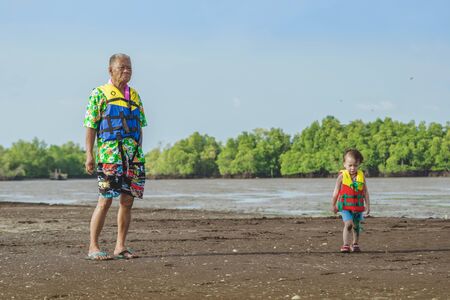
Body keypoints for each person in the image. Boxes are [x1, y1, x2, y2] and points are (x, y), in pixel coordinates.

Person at [84, 53, 147, 260]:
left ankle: (120, 246)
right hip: (110, 156)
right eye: (122, 68)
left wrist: (138, 152)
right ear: (111, 70)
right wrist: (89, 155)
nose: (127, 71)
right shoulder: (99, 94)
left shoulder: (135, 96)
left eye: (129, 67)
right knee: (105, 200)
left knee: (127, 201)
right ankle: (93, 247)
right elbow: (91, 126)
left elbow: (140, 126)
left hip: (133, 157)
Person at [331, 149, 370, 253]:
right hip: (345, 206)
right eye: (350, 165)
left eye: (355, 165)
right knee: (348, 224)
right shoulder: (341, 177)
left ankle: (355, 244)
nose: (353, 168)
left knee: (356, 225)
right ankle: (345, 245)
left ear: (359, 165)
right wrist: (333, 205)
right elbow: (335, 192)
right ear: (344, 164)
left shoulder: (361, 176)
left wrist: (368, 206)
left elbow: (365, 192)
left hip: (357, 206)